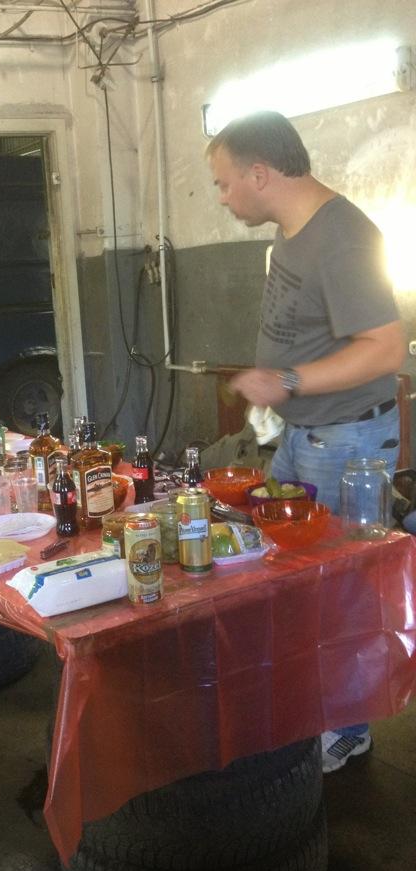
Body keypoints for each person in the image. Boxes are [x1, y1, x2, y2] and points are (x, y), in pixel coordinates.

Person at [207, 111, 405, 773]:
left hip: (347, 440)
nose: (222, 196)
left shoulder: (343, 237)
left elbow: (386, 349)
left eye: (225, 182)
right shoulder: (290, 235)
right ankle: (317, 706)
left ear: (260, 174)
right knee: (297, 579)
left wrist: (286, 380)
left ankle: (348, 729)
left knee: (343, 589)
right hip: (306, 433)